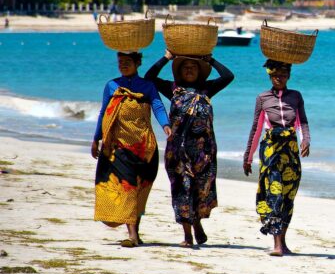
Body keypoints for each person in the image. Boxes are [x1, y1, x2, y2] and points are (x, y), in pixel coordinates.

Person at [145, 50, 234, 247]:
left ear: (200, 72)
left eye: (193, 67)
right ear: (179, 72)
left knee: (201, 191)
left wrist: (211, 60)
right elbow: (149, 77)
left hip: (204, 152)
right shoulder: (173, 89)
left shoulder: (207, 89)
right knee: (181, 189)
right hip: (178, 151)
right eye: (185, 67)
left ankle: (197, 222)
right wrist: (166, 57)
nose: (189, 70)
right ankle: (187, 235)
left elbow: (228, 76)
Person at [93, 52, 171, 247]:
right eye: (120, 62)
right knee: (126, 187)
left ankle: (135, 232)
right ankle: (132, 235)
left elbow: (158, 106)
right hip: (118, 146)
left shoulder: (147, 86)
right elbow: (104, 112)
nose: (123, 66)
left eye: (127, 62)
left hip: (144, 147)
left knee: (139, 190)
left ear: (137, 63)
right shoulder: (112, 85)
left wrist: (166, 125)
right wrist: (96, 138)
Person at [243, 60, 310, 256]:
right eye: (274, 75)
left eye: (282, 75)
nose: (278, 78)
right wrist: (248, 157)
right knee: (274, 193)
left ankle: (283, 242)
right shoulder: (262, 98)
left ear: (288, 76)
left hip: (290, 152)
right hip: (271, 151)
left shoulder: (296, 96)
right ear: (270, 77)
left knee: (288, 196)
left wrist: (306, 139)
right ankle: (277, 244)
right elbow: (256, 128)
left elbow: (303, 121)